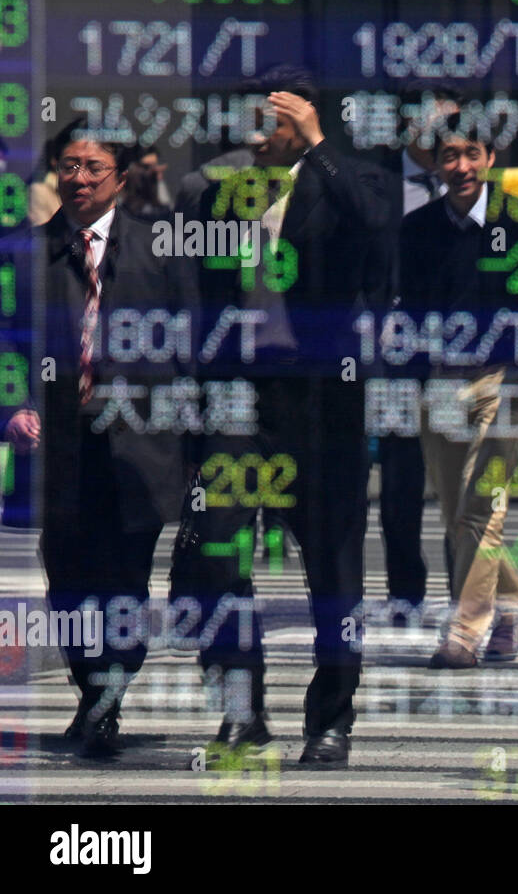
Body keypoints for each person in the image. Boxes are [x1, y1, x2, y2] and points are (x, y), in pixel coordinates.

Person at [168, 65, 391, 767]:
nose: (256, 131)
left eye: (273, 117)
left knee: (333, 569)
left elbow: (377, 231)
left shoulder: (349, 179)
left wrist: (321, 145)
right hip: (242, 393)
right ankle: (241, 711)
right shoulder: (219, 194)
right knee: (215, 550)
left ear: (304, 117)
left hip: (322, 400)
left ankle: (331, 720)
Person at [2, 133, 197, 757]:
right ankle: (95, 690)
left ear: (119, 177)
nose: (80, 178)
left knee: (125, 578)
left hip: (140, 444)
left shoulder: (159, 248)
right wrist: (13, 407)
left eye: (94, 168)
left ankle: (106, 697)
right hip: (57, 449)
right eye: (69, 167)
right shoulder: (25, 254)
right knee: (68, 578)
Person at [399, 111, 518, 669]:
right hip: (443, 382)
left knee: (482, 508)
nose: (462, 166)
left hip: (508, 382)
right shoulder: (417, 229)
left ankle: (464, 634)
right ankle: (513, 602)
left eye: (473, 153)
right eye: (449, 155)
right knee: (456, 513)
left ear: (491, 158)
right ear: (434, 163)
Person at [375, 82, 463, 618]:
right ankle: (405, 592)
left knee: (465, 483)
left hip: (461, 355)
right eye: (436, 126)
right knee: (400, 483)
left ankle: (466, 594)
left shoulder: (473, 186)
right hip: (396, 355)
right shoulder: (379, 187)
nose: (446, 139)